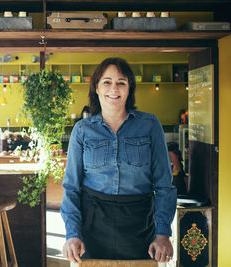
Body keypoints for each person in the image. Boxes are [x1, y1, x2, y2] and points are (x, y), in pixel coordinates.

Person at [61, 57, 177, 263]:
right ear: (96, 87)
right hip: (93, 225)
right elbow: (71, 187)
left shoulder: (150, 124)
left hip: (139, 225)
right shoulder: (82, 130)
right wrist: (72, 234)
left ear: (129, 89)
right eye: (106, 82)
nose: (113, 88)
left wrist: (162, 235)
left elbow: (164, 185)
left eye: (121, 82)